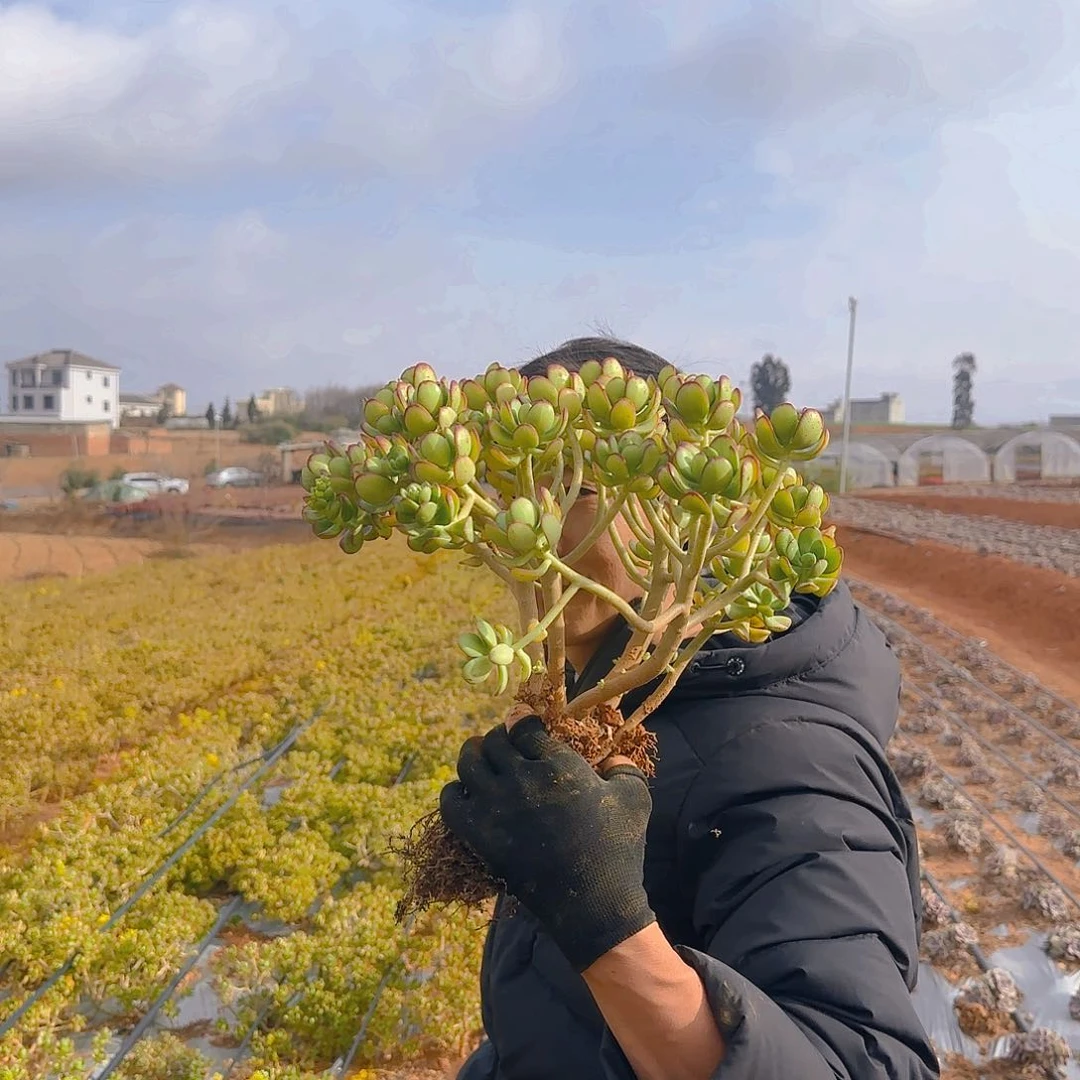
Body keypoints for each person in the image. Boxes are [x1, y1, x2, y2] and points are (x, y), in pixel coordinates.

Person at [439, 337, 938, 1080]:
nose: (524, 522)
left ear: (679, 506)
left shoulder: (784, 755)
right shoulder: (622, 706)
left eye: (571, 485)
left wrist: (603, 923)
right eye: (505, 482)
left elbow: (859, 1064)